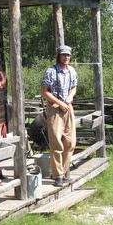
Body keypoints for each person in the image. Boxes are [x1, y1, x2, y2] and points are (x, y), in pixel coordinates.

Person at [41, 45, 78, 187]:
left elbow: (74, 87)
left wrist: (69, 97)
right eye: (63, 55)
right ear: (59, 56)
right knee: (56, 142)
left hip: (68, 107)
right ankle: (58, 176)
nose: (66, 58)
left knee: (70, 142)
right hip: (55, 108)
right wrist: (59, 103)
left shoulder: (72, 71)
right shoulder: (51, 71)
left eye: (68, 55)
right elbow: (44, 92)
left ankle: (61, 170)